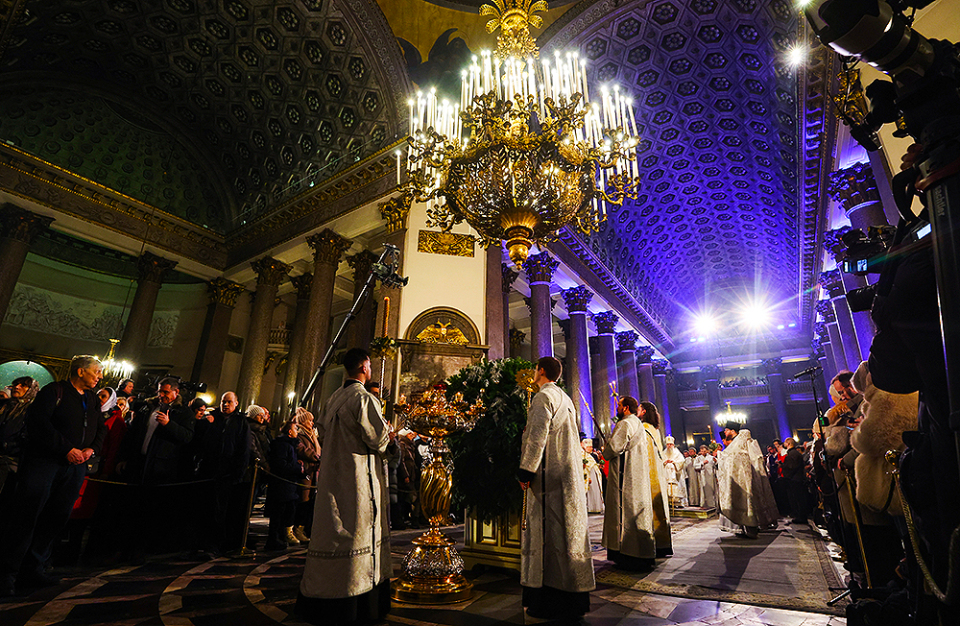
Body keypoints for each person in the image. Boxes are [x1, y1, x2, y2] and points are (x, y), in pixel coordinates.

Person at [297, 348, 392, 625]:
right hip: (357, 480)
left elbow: (324, 433)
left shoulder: (334, 397)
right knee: (356, 532)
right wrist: (389, 435)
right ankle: (360, 605)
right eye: (370, 365)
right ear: (364, 366)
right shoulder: (364, 399)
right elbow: (379, 440)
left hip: (333, 478)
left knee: (334, 531)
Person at [0, 356, 104, 597]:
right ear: (80, 371)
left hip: (75, 468)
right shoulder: (54, 391)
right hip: (45, 464)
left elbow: (100, 427)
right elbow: (39, 424)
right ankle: (7, 573)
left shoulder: (91, 398)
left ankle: (34, 569)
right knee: (27, 516)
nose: (100, 377)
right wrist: (66, 449)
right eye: (96, 371)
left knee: (55, 518)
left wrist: (92, 449)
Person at [517, 356, 595, 620]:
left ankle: (547, 601)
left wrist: (526, 469)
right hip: (567, 475)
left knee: (548, 535)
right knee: (565, 535)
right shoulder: (565, 398)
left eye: (535, 369)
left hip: (548, 479)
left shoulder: (542, 397)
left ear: (541, 371)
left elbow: (536, 436)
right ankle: (571, 599)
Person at [601, 396, 671, 570]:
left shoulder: (625, 423)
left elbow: (614, 449)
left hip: (625, 476)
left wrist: (606, 451)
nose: (616, 408)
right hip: (638, 475)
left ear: (625, 408)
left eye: (619, 405)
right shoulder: (639, 424)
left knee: (625, 514)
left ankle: (626, 554)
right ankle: (639, 554)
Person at [194, 391, 251, 555]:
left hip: (227, 473)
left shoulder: (241, 422)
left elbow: (244, 448)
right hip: (209, 470)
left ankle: (217, 544)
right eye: (223, 401)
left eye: (229, 402)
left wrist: (238, 472)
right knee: (206, 508)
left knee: (222, 510)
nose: (225, 405)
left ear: (236, 403)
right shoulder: (212, 418)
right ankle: (202, 542)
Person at [716, 421, 779, 538]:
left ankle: (752, 529)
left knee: (749, 503)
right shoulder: (738, 443)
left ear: (732, 431)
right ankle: (743, 529)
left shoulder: (743, 442)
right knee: (742, 502)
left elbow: (740, 458)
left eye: (726, 430)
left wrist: (720, 456)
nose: (725, 432)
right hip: (740, 479)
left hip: (747, 479)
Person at [265, 420, 305, 550]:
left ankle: (280, 538)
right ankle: (274, 540)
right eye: (295, 429)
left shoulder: (290, 444)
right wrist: (298, 468)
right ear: (289, 432)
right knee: (278, 514)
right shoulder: (282, 445)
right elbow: (281, 465)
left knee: (286, 513)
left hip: (288, 486)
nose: (297, 431)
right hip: (282, 485)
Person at [0, 376, 39, 496]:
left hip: (13, 460)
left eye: (23, 385)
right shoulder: (4, 405)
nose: (17, 387)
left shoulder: (33, 411)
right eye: (15, 384)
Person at [293, 406, 320, 542]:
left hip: (313, 472)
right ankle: (297, 529)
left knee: (309, 502)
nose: (312, 423)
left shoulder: (311, 435)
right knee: (303, 502)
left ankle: (304, 528)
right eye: (309, 420)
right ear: (303, 422)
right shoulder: (299, 435)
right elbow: (303, 450)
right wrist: (316, 457)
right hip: (305, 472)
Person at [781, 438, 808, 525]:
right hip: (797, 478)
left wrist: (782, 466)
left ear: (788, 443)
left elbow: (791, 467)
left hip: (795, 479)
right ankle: (800, 516)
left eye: (785, 442)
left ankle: (800, 517)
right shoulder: (795, 453)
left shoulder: (792, 454)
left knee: (798, 499)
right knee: (798, 499)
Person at [662, 435, 686, 507]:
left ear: (673, 445)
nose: (669, 446)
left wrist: (674, 462)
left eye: (670, 444)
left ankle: (679, 503)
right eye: (668, 444)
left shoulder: (677, 453)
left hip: (675, 475)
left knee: (677, 488)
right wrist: (665, 462)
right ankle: (669, 503)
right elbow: (660, 461)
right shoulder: (663, 453)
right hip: (666, 475)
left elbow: (682, 461)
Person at [582, 439, 604, 514]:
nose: (591, 448)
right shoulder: (583, 455)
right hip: (589, 477)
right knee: (590, 493)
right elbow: (585, 467)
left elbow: (594, 465)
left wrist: (599, 466)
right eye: (589, 447)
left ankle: (596, 507)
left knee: (595, 492)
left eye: (591, 447)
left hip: (595, 477)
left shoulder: (591, 456)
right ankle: (590, 508)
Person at [695, 444, 718, 509]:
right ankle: (703, 504)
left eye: (704, 451)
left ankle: (712, 504)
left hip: (710, 476)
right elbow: (695, 466)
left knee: (711, 490)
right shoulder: (698, 458)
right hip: (702, 476)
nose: (703, 452)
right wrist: (702, 463)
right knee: (703, 490)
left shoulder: (711, 457)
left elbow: (716, 464)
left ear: (707, 451)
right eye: (702, 451)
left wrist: (716, 461)